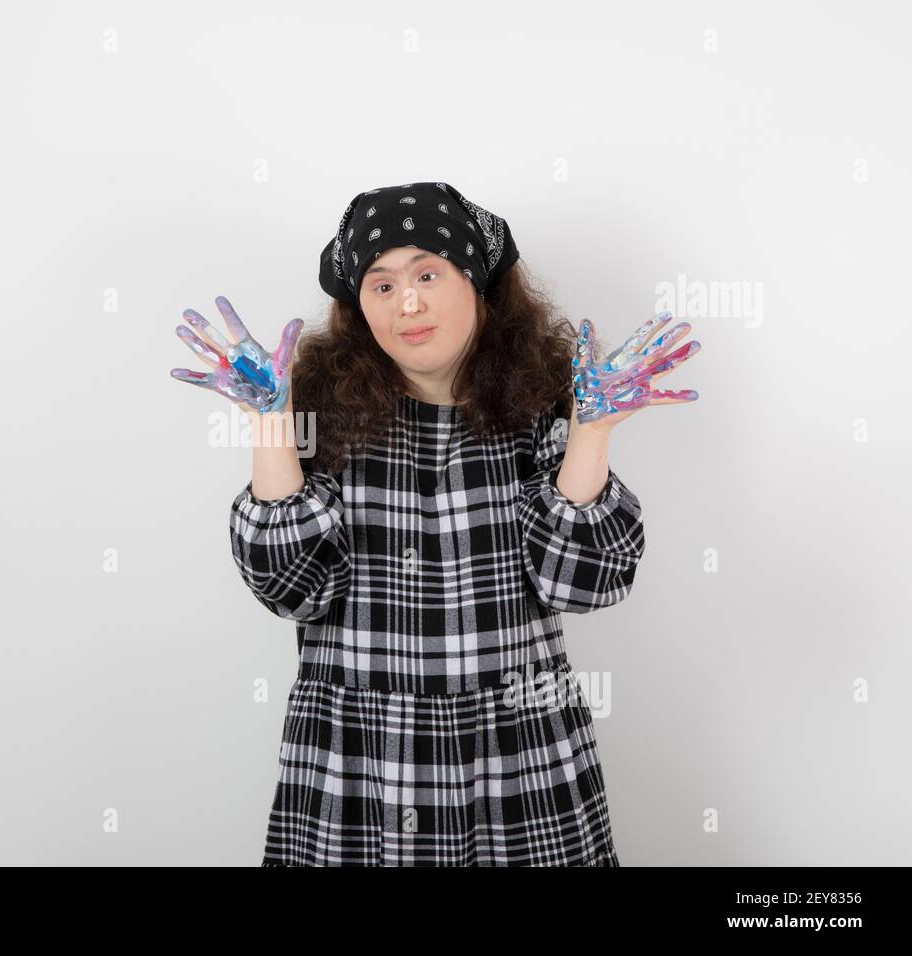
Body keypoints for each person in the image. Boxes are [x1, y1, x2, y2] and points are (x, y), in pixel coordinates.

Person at [172, 181, 700, 866]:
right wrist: (272, 425)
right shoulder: (320, 414)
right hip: (357, 762)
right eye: (382, 285)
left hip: (520, 756)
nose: (408, 302)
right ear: (359, 307)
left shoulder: (545, 407)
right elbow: (291, 588)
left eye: (427, 273)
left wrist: (590, 433)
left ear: (476, 283)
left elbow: (583, 583)